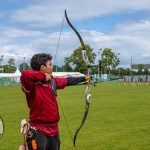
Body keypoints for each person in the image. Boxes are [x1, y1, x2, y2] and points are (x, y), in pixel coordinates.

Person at [20, 53, 90, 150]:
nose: (52, 67)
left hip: (54, 130)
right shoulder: (31, 85)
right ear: (43, 67)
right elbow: (25, 74)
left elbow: (67, 81)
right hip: (39, 131)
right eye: (50, 64)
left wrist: (83, 78)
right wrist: (43, 77)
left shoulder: (52, 82)